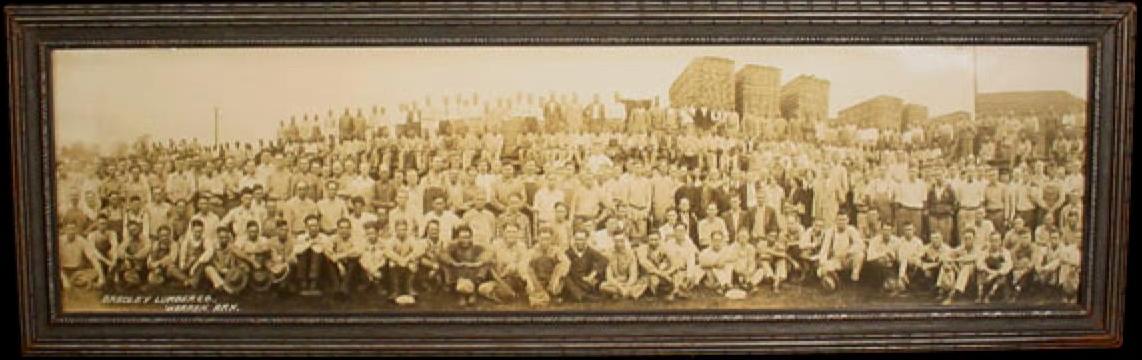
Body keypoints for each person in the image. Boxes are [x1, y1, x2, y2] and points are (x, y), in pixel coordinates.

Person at [440, 225, 491, 306]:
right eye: (462, 237)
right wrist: (454, 263)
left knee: (485, 265)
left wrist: (478, 263)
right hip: (458, 271)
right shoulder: (453, 246)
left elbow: (488, 254)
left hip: (473, 272)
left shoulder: (476, 246)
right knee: (448, 266)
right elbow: (443, 255)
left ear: (471, 237)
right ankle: (461, 295)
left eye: (467, 237)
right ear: (458, 238)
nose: (465, 240)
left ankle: (472, 293)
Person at [384, 219, 427, 302]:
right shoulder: (392, 240)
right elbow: (387, 251)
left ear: (407, 230)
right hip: (397, 262)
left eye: (404, 229)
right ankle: (395, 290)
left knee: (414, 263)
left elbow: (420, 250)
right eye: (399, 230)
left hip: (407, 262)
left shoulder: (410, 239)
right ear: (395, 230)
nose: (402, 232)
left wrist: (407, 259)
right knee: (391, 263)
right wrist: (399, 259)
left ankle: (409, 288)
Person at [203, 226, 253, 295]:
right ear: (218, 238)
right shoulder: (213, 247)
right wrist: (219, 268)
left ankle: (223, 287)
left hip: (230, 273)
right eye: (221, 237)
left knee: (244, 267)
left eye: (225, 237)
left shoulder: (232, 247)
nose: (223, 240)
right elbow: (209, 260)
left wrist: (240, 267)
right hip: (218, 273)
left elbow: (241, 257)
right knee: (208, 269)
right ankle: (225, 287)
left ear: (228, 238)